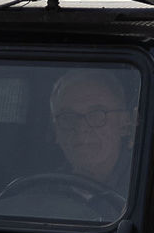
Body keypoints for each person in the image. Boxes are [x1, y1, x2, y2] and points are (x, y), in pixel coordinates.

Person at [47, 68, 138, 202]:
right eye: (68, 117)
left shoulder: (143, 188)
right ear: (56, 132)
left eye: (96, 114)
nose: (81, 128)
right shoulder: (40, 193)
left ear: (124, 125)